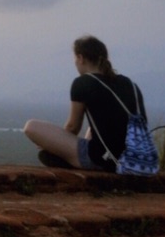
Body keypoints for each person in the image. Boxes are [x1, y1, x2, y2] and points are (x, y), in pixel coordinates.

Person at [23, 35, 147, 172]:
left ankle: (74, 161)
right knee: (92, 128)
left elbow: (72, 127)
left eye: (75, 59)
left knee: (31, 127)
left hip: (105, 160)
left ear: (80, 58)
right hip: (139, 161)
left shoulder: (83, 82)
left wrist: (53, 144)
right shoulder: (129, 83)